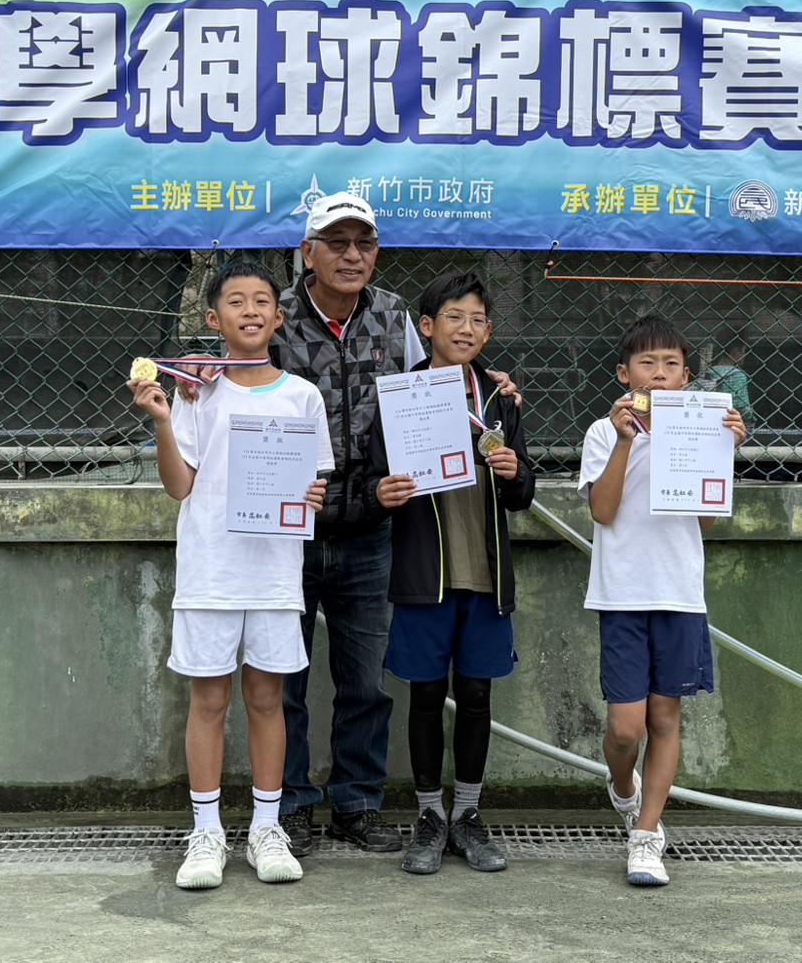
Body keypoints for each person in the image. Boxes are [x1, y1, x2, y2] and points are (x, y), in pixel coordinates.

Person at [267, 192, 518, 856]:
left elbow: (429, 387)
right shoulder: (276, 315)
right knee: (285, 678)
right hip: (292, 524)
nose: (353, 255)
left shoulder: (393, 313)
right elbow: (240, 381)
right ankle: (291, 808)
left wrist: (489, 384)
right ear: (308, 252)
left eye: (365, 244)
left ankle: (356, 804)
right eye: (338, 243)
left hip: (376, 523)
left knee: (366, 682)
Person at [129, 257, 332, 890]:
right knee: (209, 700)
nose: (250, 310)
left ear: (279, 316)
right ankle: (207, 832)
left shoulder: (302, 396)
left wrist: (313, 495)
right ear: (213, 319)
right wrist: (162, 422)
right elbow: (179, 486)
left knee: (268, 700)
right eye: (236, 301)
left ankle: (266, 829)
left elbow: (312, 482)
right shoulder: (195, 390)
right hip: (210, 572)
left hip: (273, 576)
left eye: (262, 301)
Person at [370, 271, 535, 875]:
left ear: (488, 332)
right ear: (427, 326)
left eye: (478, 320)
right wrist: (382, 492)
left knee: (476, 696)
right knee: (423, 695)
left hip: (486, 577)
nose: (466, 329)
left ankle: (467, 813)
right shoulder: (400, 396)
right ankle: (429, 816)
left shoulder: (500, 397)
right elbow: (375, 477)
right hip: (425, 576)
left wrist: (514, 472)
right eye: (454, 317)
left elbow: (523, 493)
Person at [578, 313, 746, 887]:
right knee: (626, 728)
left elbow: (706, 519)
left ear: (686, 377)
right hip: (622, 592)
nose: (658, 373)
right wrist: (627, 440)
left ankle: (646, 836)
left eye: (671, 364)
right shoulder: (603, 433)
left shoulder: (703, 428)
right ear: (624, 374)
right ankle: (623, 785)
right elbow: (603, 512)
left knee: (666, 717)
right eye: (646, 363)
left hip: (678, 593)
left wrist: (724, 451)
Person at [698, 328, 754, 429]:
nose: (744, 355)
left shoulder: (708, 373)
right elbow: (744, 410)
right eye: (743, 351)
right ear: (735, 352)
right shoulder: (737, 376)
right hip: (730, 425)